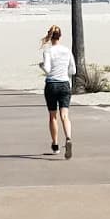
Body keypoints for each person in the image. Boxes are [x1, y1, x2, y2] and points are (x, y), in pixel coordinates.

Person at [37, 24, 75, 158]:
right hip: (65, 83)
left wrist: (41, 66)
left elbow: (47, 69)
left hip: (52, 84)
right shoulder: (67, 50)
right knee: (65, 115)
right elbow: (73, 70)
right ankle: (68, 138)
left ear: (50, 36)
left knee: (53, 116)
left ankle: (55, 144)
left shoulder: (48, 51)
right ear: (60, 36)